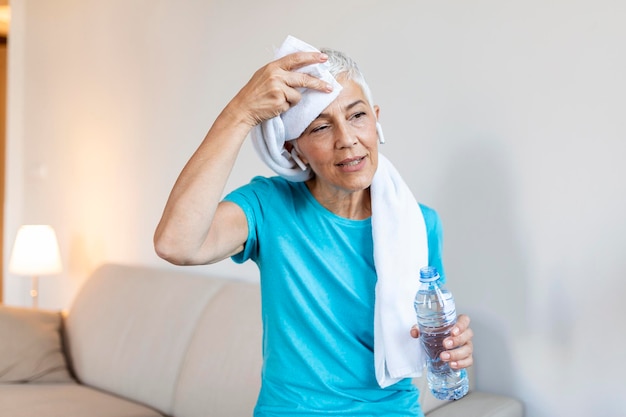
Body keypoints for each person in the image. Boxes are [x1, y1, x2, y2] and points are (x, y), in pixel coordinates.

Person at [154, 36, 473, 417]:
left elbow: (417, 335)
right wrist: (239, 113)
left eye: (357, 116)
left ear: (376, 118)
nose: (347, 139)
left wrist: (452, 346)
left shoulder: (419, 222)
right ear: (294, 149)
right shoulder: (268, 207)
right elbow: (176, 243)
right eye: (321, 128)